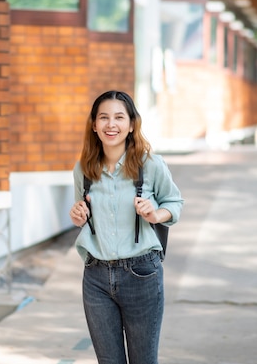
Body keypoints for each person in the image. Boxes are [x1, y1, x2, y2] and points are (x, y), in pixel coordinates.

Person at [69, 90, 184, 364]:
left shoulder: (150, 165)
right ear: (94, 125)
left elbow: (175, 202)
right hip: (95, 276)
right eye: (104, 118)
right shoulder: (83, 169)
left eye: (119, 117)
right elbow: (82, 212)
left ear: (131, 124)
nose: (111, 124)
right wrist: (77, 215)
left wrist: (155, 214)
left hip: (141, 274)